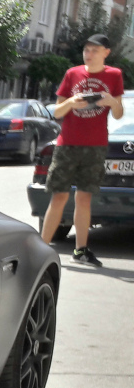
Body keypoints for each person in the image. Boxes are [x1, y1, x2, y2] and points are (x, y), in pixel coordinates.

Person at [39, 33, 125, 267]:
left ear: (106, 52)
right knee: (58, 196)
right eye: (86, 50)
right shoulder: (72, 73)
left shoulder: (114, 75)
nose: (89, 54)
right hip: (67, 143)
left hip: (95, 145)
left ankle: (80, 250)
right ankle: (41, 249)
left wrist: (111, 101)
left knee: (84, 197)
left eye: (94, 50)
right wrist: (70, 103)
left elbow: (118, 113)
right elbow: (57, 112)